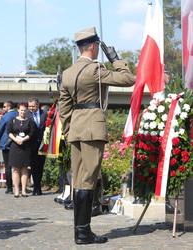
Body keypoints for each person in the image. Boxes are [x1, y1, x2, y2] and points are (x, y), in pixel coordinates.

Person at [59, 27, 135, 245]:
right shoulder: (95, 70)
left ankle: (80, 232)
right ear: (93, 46)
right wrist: (116, 59)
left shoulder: (68, 73)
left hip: (76, 129)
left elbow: (64, 109)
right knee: (89, 180)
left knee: (79, 180)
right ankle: (83, 233)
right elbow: (128, 78)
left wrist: (68, 131)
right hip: (93, 127)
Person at [7, 103, 35, 198]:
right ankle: (16, 190)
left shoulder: (30, 121)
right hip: (15, 147)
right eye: (21, 110)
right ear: (18, 110)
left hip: (25, 147)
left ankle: (23, 190)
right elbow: (9, 132)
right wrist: (16, 139)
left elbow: (31, 133)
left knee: (24, 169)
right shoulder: (12, 120)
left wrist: (23, 139)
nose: (23, 112)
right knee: (15, 169)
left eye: (24, 110)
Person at [27, 98, 47, 196]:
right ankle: (36, 188)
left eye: (33, 106)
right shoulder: (27, 114)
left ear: (38, 105)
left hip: (43, 144)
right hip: (31, 145)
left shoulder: (44, 114)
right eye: (29, 106)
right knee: (34, 166)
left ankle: (38, 186)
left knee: (41, 166)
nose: (31, 108)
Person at [0, 101, 18, 194]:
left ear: (9, 107)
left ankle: (9, 188)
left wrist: (1, 140)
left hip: (7, 143)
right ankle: (20, 187)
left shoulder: (5, 117)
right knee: (19, 166)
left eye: (4, 106)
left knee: (8, 166)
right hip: (19, 143)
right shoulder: (19, 114)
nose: (3, 108)